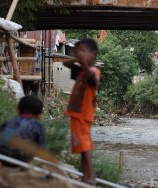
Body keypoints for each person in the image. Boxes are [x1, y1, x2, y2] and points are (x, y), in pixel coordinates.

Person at [63, 38, 101, 184]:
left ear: (94, 54)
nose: (79, 54)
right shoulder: (80, 70)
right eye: (77, 51)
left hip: (83, 113)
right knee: (82, 144)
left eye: (83, 51)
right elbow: (65, 63)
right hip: (77, 112)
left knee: (83, 144)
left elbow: (92, 79)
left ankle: (90, 176)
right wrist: (76, 58)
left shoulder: (93, 70)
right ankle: (86, 174)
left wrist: (83, 62)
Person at [0, 95, 45, 166]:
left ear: (18, 109)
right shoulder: (37, 126)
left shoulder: (11, 121)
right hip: (17, 160)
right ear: (39, 115)